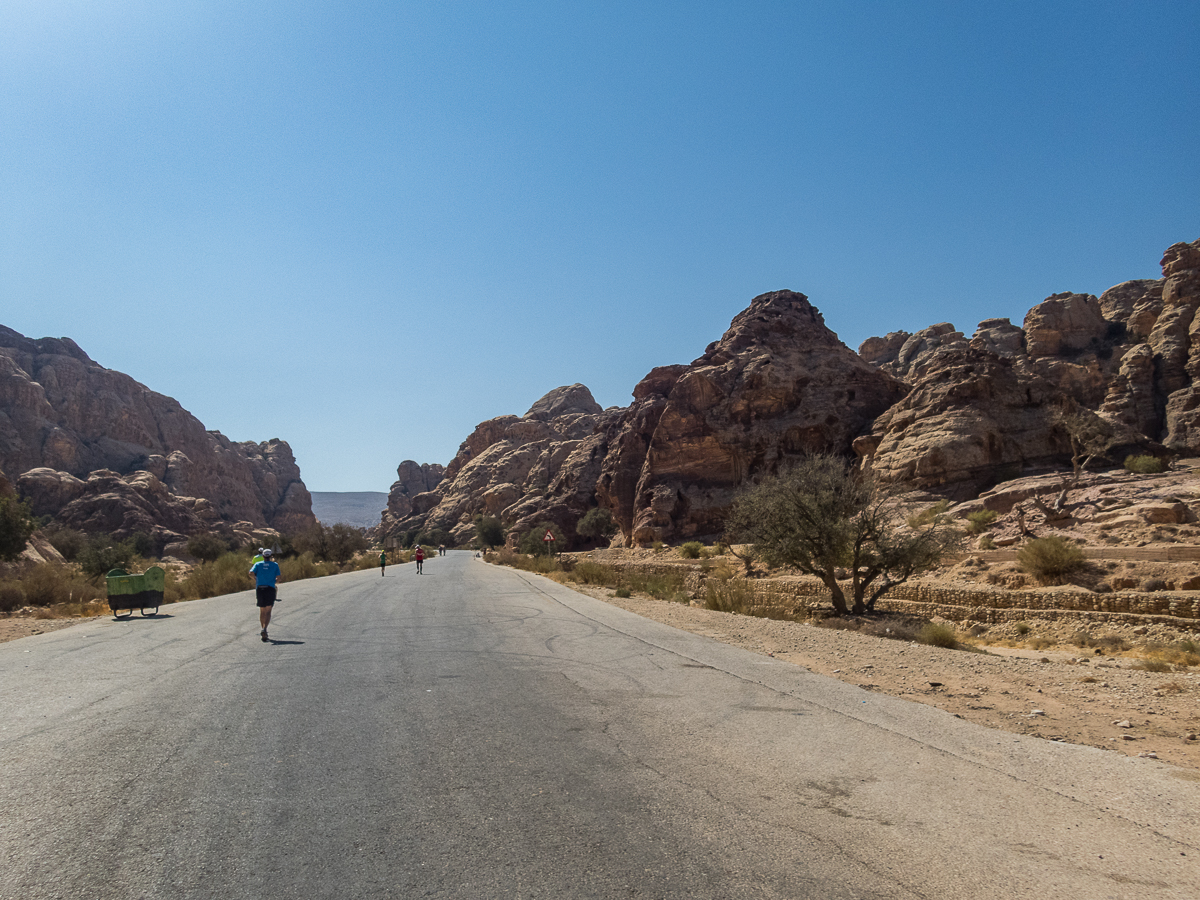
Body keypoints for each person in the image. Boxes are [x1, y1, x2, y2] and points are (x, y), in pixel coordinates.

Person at [249, 548, 282, 642]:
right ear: (271, 556)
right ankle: (265, 629)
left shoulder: (258, 564)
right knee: (268, 610)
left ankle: (262, 627)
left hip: (260, 588)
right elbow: (279, 578)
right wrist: (273, 581)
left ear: (263, 556)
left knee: (262, 610)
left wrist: (256, 579)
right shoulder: (275, 565)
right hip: (270, 588)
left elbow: (250, 573)